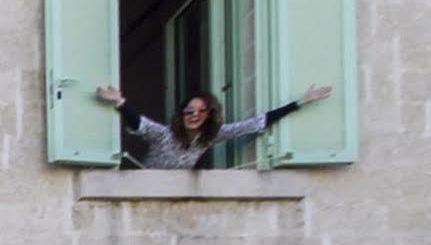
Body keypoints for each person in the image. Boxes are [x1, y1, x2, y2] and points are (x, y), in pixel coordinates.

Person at [94, 83, 332, 169]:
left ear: (209, 115)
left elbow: (254, 124)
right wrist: (119, 102)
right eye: (189, 110)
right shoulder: (164, 135)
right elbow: (140, 124)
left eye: (200, 111)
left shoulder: (210, 137)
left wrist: (300, 103)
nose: (193, 115)